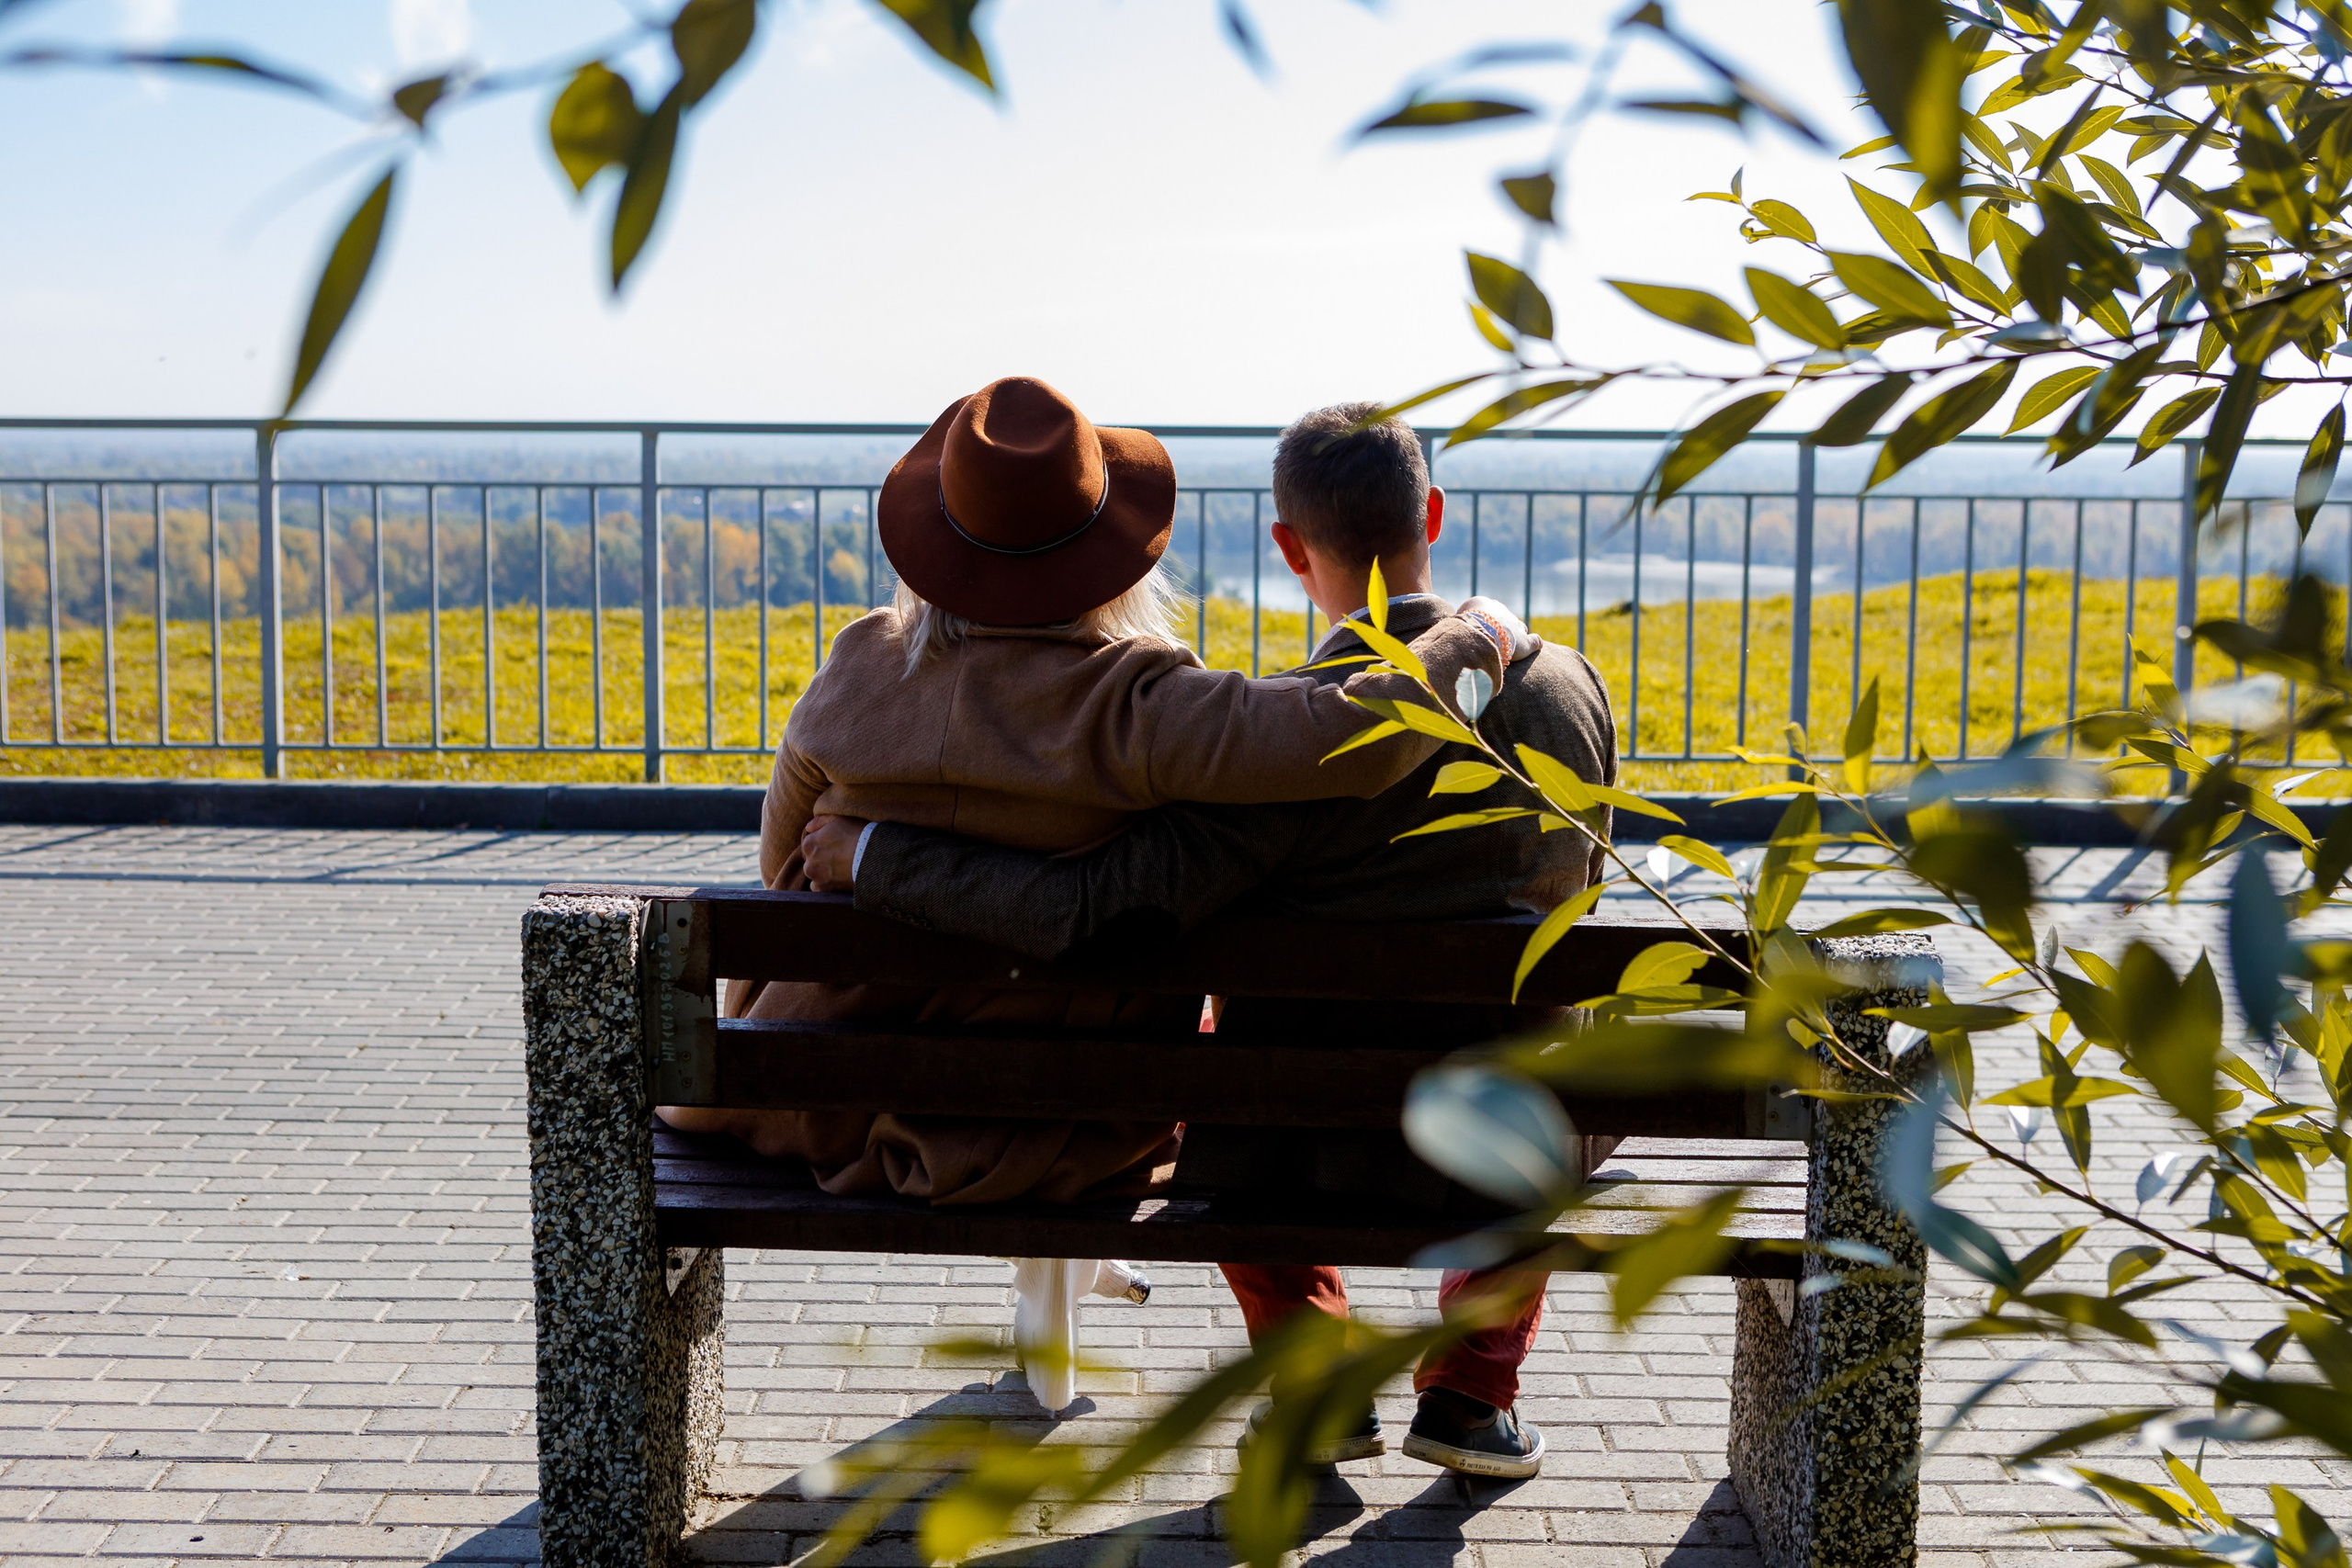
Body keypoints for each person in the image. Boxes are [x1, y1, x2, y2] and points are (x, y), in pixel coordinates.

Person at [796, 401, 1621, 1480]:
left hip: (1308, 1138)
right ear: (1431, 512)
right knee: (1550, 1041)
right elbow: (1583, 889)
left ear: (1288, 547)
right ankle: (1471, 1388)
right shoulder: (1568, 689)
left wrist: (872, 859)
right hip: (1517, 1144)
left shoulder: (1279, 744)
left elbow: (1101, 907)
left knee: (1235, 1078)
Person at [655, 378, 1535, 1213]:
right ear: (1108, 551)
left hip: (812, 1090)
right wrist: (1478, 635)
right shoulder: (1139, 708)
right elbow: (1355, 738)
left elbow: (782, 870)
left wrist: (878, 860)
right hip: (1043, 1122)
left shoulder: (854, 671)